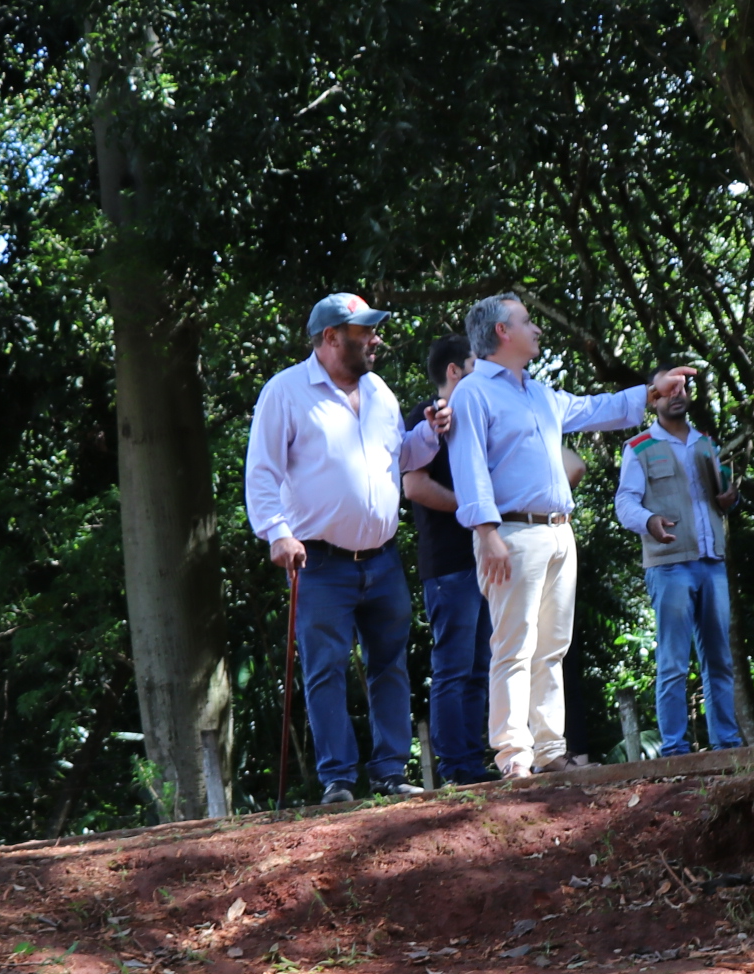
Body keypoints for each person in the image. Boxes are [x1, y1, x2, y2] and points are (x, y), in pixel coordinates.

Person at [447, 292, 694, 778]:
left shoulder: (538, 392)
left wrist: (650, 391)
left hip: (559, 531)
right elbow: (468, 465)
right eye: (527, 321)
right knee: (513, 644)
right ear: (503, 331)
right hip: (511, 531)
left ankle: (549, 749)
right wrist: (486, 531)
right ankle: (514, 757)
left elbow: (593, 409)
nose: (536, 329)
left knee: (553, 646)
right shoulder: (474, 392)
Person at [244, 294, 444, 806]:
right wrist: (276, 531)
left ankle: (391, 771)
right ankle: (338, 780)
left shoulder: (379, 391)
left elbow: (399, 455)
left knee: (390, 664)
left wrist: (431, 434)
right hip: (318, 561)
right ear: (332, 338)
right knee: (325, 668)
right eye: (364, 331)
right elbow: (262, 472)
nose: (375, 339)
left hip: (381, 558)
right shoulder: (285, 392)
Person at [613, 380, 744, 755]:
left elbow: (721, 500)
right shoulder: (639, 447)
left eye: (683, 387)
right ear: (654, 397)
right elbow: (624, 503)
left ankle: (728, 745)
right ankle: (673, 750)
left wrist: (729, 499)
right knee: (672, 662)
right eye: (668, 388)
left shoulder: (706, 442)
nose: (677, 394)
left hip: (711, 562)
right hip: (669, 566)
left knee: (719, 659)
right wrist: (649, 519)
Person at [401, 336, 490, 786]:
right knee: (454, 668)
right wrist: (471, 509)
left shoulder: (475, 418)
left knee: (479, 666)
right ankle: (455, 768)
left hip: (483, 558)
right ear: (454, 371)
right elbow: (413, 486)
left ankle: (471, 763)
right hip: (449, 562)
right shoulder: (426, 416)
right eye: (477, 365)